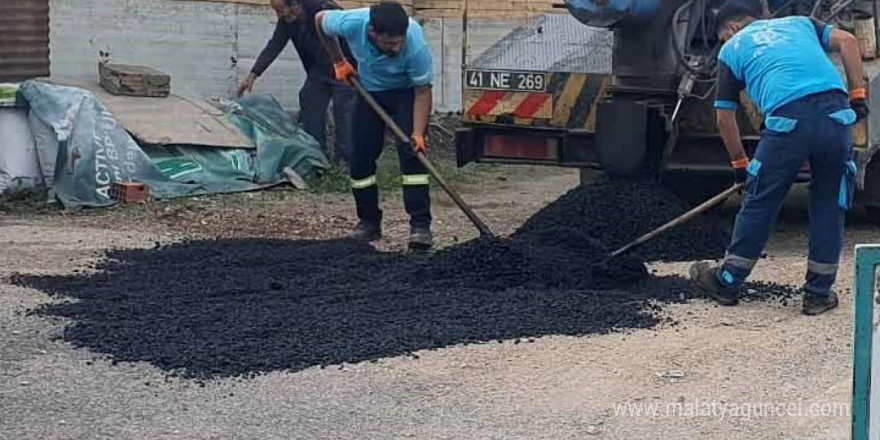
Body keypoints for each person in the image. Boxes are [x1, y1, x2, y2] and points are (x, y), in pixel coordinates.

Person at [689, 4, 869, 315]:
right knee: (829, 202)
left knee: (761, 201)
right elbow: (849, 42)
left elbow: (724, 118)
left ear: (730, 30)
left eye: (721, 37)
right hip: (837, 116)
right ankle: (817, 295)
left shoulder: (731, 48)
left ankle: (727, 281)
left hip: (788, 123)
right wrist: (857, 94)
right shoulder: (800, 23)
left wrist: (740, 166)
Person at [315, 1, 436, 250]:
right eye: (391, 43)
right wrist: (338, 61)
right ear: (372, 33)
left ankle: (420, 227)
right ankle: (368, 222)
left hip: (406, 94)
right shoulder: (352, 23)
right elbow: (319, 20)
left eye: (400, 41)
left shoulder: (416, 46)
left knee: (412, 155)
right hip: (368, 92)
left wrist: (417, 133)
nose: (397, 47)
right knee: (359, 159)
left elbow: (423, 92)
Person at [238, 0, 355, 164]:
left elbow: (350, 37)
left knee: (344, 111)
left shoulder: (324, 11)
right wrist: (253, 74)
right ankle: (317, 155)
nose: (279, 15)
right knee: (309, 99)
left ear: (295, 4)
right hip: (319, 70)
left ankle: (347, 162)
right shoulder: (287, 22)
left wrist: (354, 67)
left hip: (344, 68)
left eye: (280, 10)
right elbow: (275, 45)